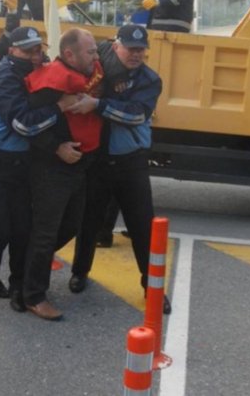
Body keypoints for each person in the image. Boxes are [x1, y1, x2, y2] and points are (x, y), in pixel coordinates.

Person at [66, 25, 170, 314]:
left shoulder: (150, 80)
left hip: (131, 162)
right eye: (130, 48)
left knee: (143, 227)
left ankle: (153, 286)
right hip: (98, 161)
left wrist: (97, 105)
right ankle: (79, 272)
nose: (136, 54)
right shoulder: (99, 67)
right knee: (89, 222)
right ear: (116, 46)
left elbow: (136, 114)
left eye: (140, 49)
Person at [0, 26, 70, 313]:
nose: (37, 56)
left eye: (39, 49)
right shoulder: (7, 77)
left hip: (18, 165)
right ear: (12, 51)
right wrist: (60, 106)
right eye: (29, 51)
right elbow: (24, 124)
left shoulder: (33, 72)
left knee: (22, 232)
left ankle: (18, 287)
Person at [21, 28, 104, 321]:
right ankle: (32, 295)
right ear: (70, 54)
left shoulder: (87, 69)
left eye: (96, 50)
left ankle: (27, 268)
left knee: (70, 225)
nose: (96, 56)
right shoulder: (50, 81)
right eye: (91, 51)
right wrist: (55, 147)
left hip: (79, 166)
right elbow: (27, 124)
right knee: (45, 233)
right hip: (53, 167)